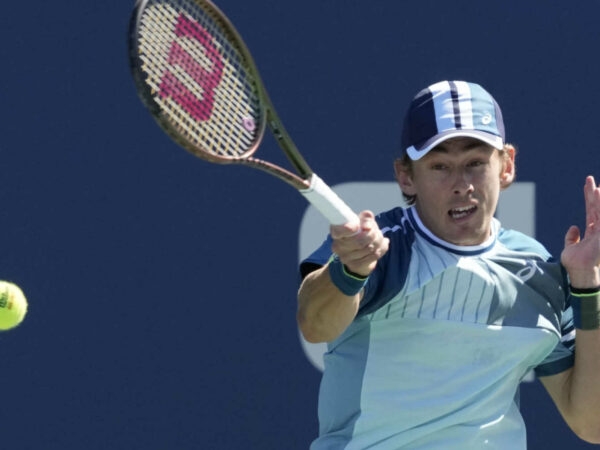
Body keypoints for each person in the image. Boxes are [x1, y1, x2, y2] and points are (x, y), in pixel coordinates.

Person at [297, 80, 600, 449]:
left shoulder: (538, 270)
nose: (462, 184)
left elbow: (591, 423)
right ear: (406, 177)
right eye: (440, 166)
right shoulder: (381, 247)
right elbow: (315, 324)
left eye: (475, 163)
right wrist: (350, 270)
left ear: (506, 166)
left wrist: (587, 287)